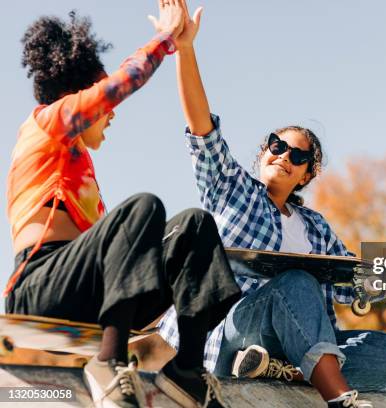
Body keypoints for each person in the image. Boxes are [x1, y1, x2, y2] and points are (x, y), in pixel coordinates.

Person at [158, 2, 386, 407]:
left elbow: (350, 283)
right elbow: (202, 128)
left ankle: (284, 370)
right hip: (237, 330)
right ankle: (338, 397)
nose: (283, 156)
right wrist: (185, 49)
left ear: (307, 174)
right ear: (263, 152)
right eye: (277, 146)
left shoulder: (315, 227)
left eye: (297, 156)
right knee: (295, 281)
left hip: (288, 348)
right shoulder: (232, 190)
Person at [5, 2, 241, 407]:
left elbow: (123, 256)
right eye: (101, 104)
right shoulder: (45, 124)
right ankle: (107, 364)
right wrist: (166, 38)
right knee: (143, 207)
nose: (111, 114)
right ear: (79, 98)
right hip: (38, 287)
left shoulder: (81, 171)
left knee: (194, 226)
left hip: (89, 295)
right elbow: (121, 84)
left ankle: (186, 371)